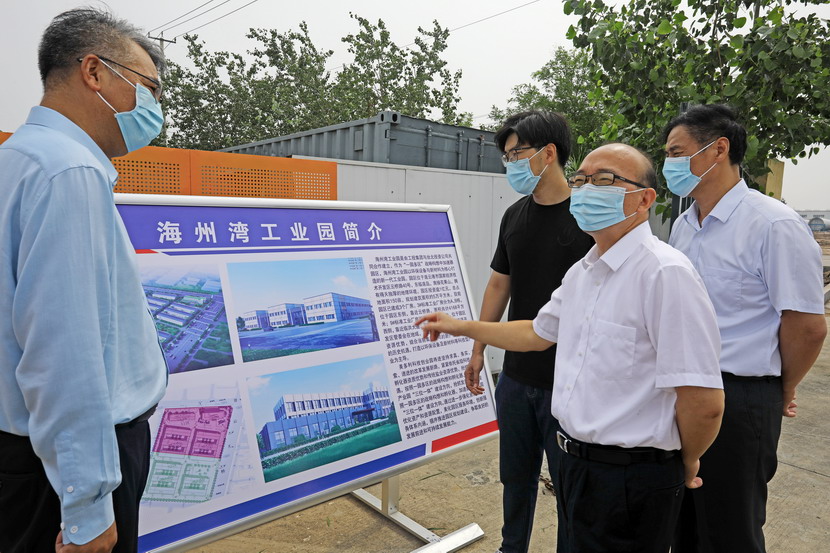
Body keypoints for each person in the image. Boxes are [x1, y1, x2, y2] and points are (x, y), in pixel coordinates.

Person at [416, 143, 725, 552]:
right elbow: (536, 333)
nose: (586, 189)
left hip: (632, 477)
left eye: (604, 180)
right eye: (581, 180)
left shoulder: (665, 274)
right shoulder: (584, 271)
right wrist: (462, 327)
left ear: (644, 199)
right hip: (575, 466)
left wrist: (685, 459)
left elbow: (703, 400)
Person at [0, 8, 168, 553]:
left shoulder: (17, 160)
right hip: (61, 469)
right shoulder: (68, 171)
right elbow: (65, 353)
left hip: (26, 454)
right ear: (94, 71)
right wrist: (87, 506)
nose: (154, 107)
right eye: (147, 88)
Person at [663, 104, 827, 553]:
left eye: (676, 152)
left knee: (730, 528)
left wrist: (781, 388)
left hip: (739, 398)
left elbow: (807, 326)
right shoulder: (684, 226)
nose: (668, 164)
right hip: (682, 390)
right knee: (681, 524)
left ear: (718, 150)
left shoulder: (773, 224)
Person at [464, 110, 592, 553]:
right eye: (507, 156)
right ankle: (511, 547)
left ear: (548, 153)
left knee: (568, 485)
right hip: (517, 379)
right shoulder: (514, 215)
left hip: (570, 380)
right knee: (515, 478)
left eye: (516, 153)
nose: (510, 164)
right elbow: (499, 284)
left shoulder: (588, 216)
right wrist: (479, 349)